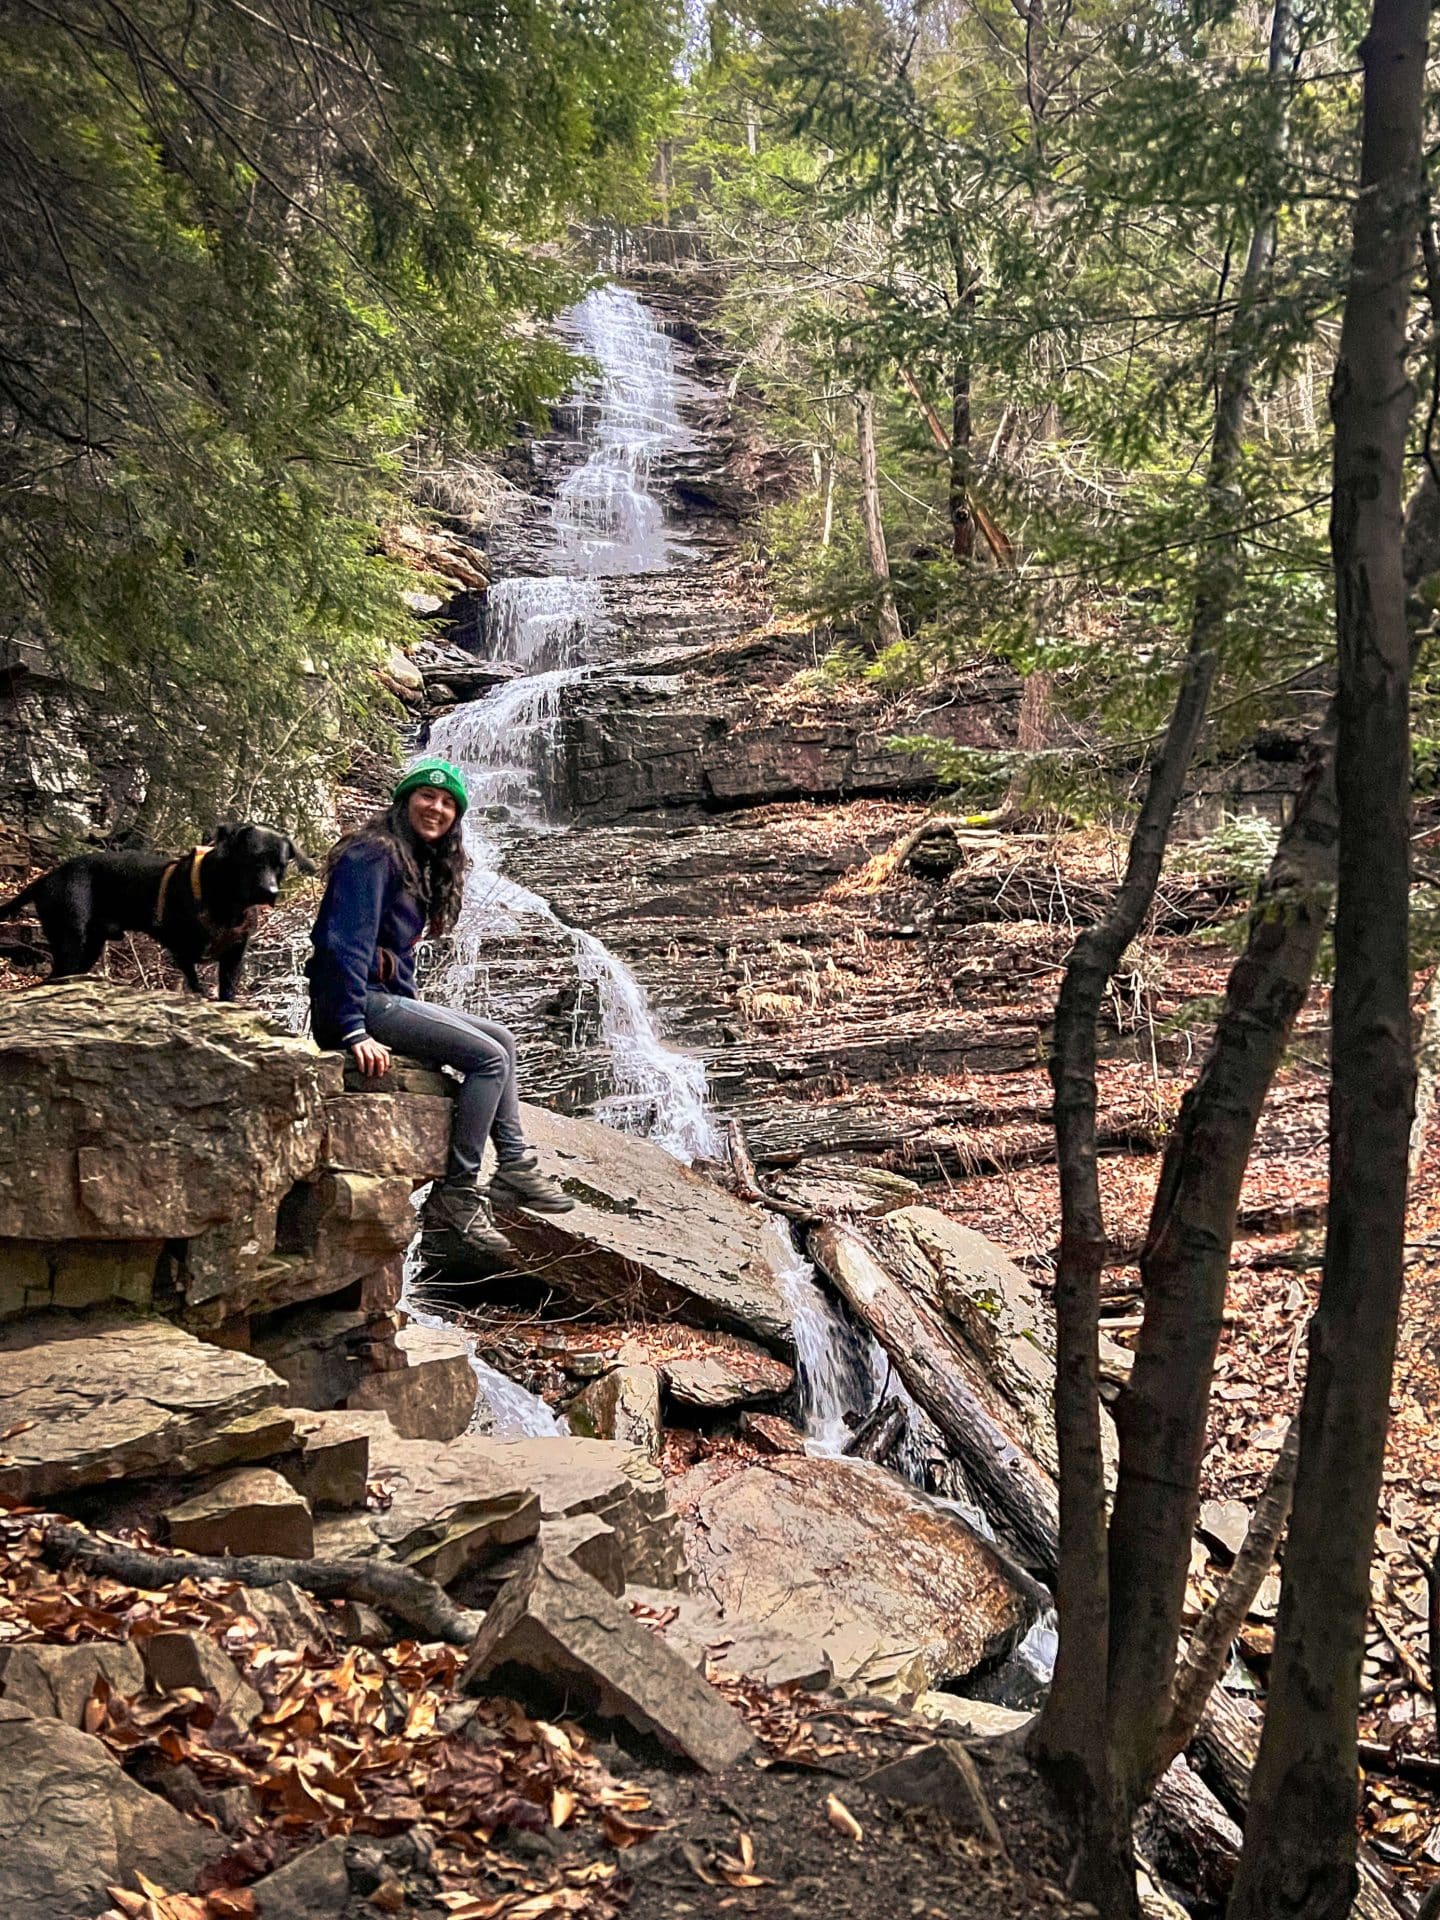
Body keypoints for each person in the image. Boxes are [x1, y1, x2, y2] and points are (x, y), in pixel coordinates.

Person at [306, 756, 574, 1267]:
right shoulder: (372, 853)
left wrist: (411, 1025)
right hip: (356, 1004)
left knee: (502, 1040)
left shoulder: (413, 863)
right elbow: (341, 944)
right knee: (489, 1059)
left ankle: (514, 1162)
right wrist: (353, 1030)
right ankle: (458, 1194)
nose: (437, 807)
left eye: (449, 802)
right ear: (405, 801)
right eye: (428, 796)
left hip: (382, 1000)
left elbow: (396, 963)